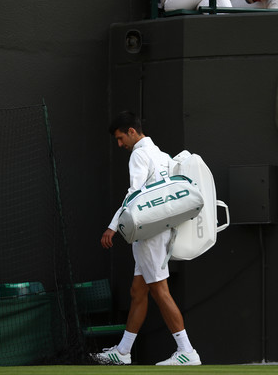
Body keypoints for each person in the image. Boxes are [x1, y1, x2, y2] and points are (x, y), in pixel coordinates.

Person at [92, 111, 201, 366]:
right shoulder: (161, 155)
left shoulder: (139, 154)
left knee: (160, 290)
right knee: (138, 291)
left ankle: (187, 351)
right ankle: (123, 351)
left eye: (120, 138)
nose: (120, 145)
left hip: (149, 233)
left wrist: (112, 227)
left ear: (132, 131)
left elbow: (135, 194)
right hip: (159, 230)